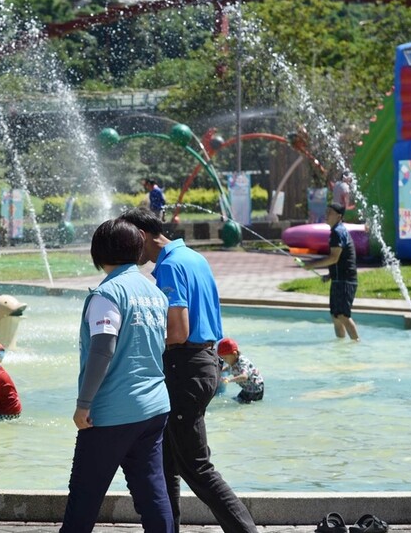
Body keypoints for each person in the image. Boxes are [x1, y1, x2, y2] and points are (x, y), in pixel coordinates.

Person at [120, 207, 258, 533]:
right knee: (166, 461)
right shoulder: (194, 257)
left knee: (196, 467)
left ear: (141, 236)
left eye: (128, 241)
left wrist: (136, 340)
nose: (127, 250)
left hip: (185, 366)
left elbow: (179, 332)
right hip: (204, 362)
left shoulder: (169, 266)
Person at [60, 218, 172, 533]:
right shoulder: (154, 292)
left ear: (98, 253)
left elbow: (102, 351)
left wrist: (84, 403)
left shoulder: (107, 294)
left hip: (112, 412)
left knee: (84, 496)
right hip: (154, 408)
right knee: (152, 492)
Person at [303, 202, 360, 340]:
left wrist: (312, 265)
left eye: (330, 212)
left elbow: (334, 258)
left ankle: (356, 343)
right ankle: (341, 347)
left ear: (339, 216)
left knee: (343, 316)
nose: (326, 215)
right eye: (326, 212)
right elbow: (341, 259)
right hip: (338, 280)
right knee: (335, 316)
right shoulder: (336, 231)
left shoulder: (338, 232)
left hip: (345, 281)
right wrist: (330, 275)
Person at [217, 338, 264, 404]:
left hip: (255, 390)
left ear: (234, 354)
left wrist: (229, 380)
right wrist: (218, 371)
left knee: (244, 404)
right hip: (247, 388)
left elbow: (244, 376)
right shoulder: (233, 361)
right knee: (237, 400)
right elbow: (229, 368)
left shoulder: (242, 362)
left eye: (225, 358)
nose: (224, 360)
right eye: (222, 358)